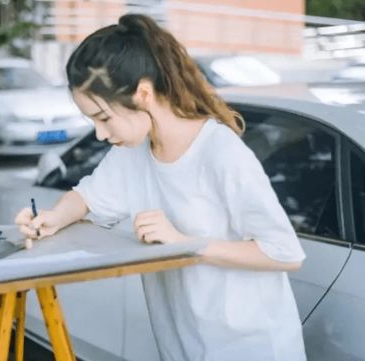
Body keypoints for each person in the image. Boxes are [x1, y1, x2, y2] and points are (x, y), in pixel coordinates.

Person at [15, 13, 307, 361]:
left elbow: (284, 253)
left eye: (104, 117)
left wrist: (185, 245)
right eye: (91, 120)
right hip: (183, 343)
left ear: (143, 92)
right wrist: (54, 217)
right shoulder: (134, 152)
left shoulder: (219, 151)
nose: (100, 133)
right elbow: (85, 196)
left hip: (251, 347)